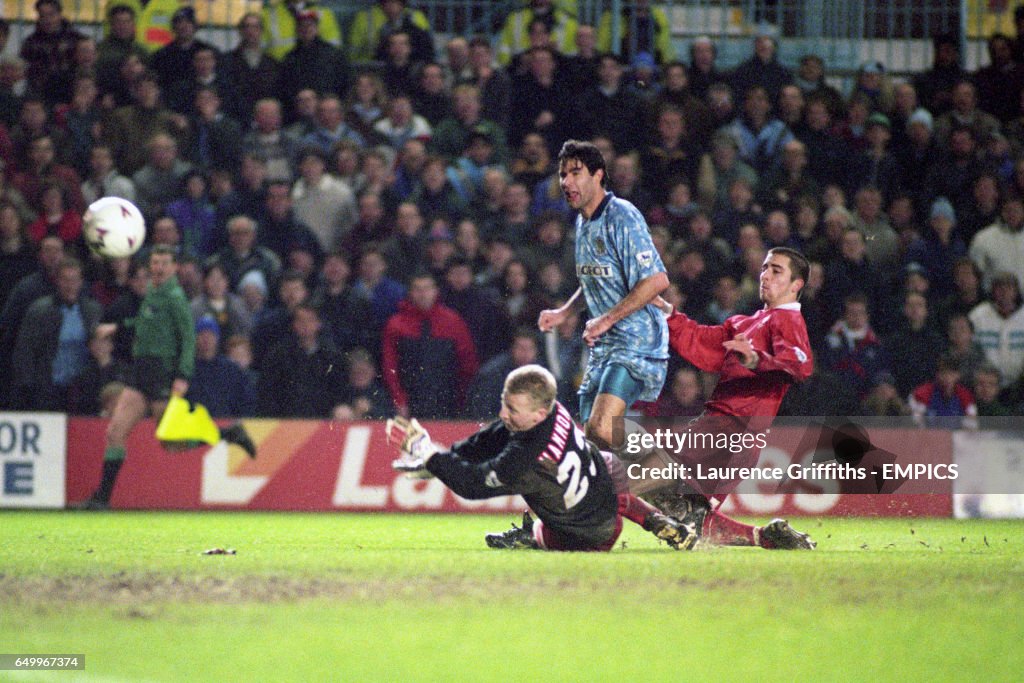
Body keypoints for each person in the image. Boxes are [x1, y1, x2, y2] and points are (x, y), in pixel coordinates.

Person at [389, 364, 694, 551]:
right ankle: (655, 519)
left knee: (541, 530)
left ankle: (530, 535)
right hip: (605, 486)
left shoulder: (524, 462)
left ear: (538, 412)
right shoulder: (552, 409)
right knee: (601, 467)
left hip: (591, 536)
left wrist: (429, 454)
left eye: (512, 410)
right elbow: (489, 440)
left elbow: (472, 485)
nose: (502, 414)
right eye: (503, 404)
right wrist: (440, 462)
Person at [630, 247, 818, 550]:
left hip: (733, 431)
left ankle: (563, 519)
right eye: (765, 267)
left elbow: (799, 365)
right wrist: (666, 311)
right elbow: (702, 344)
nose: (765, 275)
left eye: (776, 270)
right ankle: (766, 537)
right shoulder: (747, 322)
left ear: (797, 285)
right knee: (685, 512)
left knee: (634, 479)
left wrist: (757, 360)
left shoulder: (787, 321)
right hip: (720, 429)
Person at [77, 246, 254, 510]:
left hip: (161, 374)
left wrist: (182, 375)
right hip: (140, 374)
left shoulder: (175, 298)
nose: (158, 268)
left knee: (170, 442)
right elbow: (146, 321)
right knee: (115, 432)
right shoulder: (153, 293)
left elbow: (188, 339)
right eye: (155, 262)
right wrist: (117, 326)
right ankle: (101, 498)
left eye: (164, 263)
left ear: (173, 268)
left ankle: (228, 434)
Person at [538, 140, 669, 452]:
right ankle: (638, 493)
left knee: (599, 427)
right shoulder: (583, 222)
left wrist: (606, 320)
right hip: (606, 345)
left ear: (598, 175)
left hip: (636, 341)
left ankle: (674, 489)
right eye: (562, 175)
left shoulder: (621, 215)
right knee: (595, 438)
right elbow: (595, 280)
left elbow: (656, 280)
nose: (566, 182)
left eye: (575, 172)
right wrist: (565, 313)